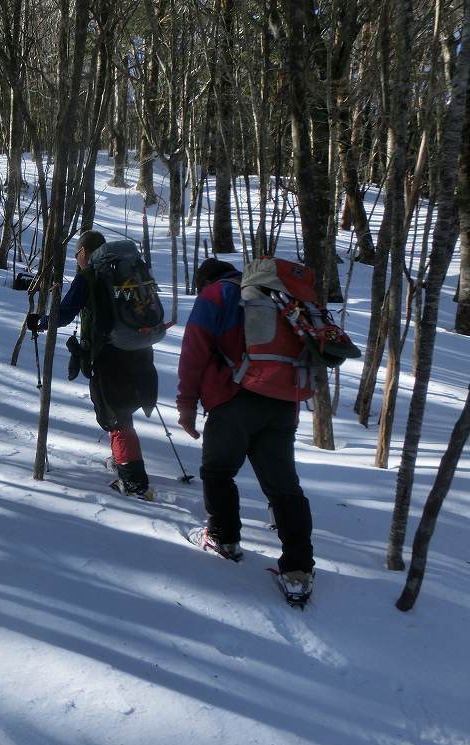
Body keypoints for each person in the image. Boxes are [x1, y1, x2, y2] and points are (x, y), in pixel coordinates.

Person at [176, 257, 314, 600]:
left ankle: (224, 538)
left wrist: (187, 405)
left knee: (218, 471)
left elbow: (193, 352)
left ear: (204, 281)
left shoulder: (215, 295)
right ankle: (298, 569)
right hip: (282, 403)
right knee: (284, 488)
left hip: (233, 399)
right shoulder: (279, 296)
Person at [26, 230, 158, 496]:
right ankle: (123, 460)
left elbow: (62, 315)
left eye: (77, 254)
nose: (77, 259)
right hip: (141, 350)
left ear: (84, 252)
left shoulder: (89, 276)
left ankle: (133, 481)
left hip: (110, 355)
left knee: (114, 414)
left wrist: (39, 321)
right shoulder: (127, 272)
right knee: (122, 410)